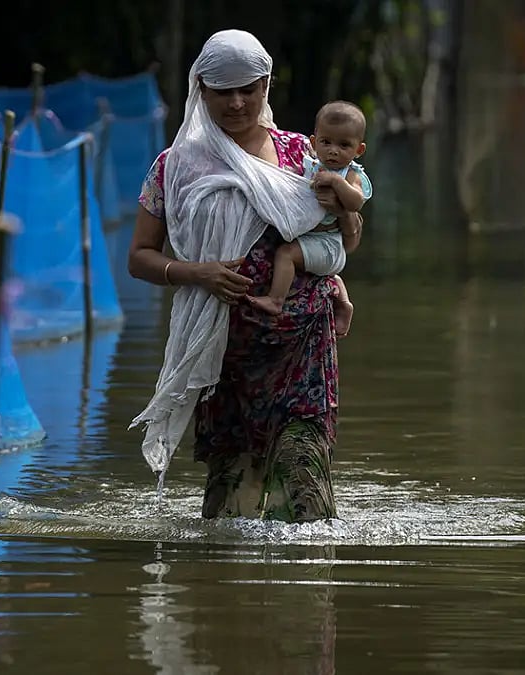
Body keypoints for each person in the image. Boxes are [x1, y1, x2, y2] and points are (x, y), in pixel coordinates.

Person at [127, 29, 364, 523]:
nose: (236, 103)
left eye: (248, 89)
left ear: (265, 87)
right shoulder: (174, 167)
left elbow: (343, 239)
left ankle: (303, 597)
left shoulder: (308, 155)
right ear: (201, 92)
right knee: (228, 519)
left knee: (305, 509)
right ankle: (225, 598)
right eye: (222, 91)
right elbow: (140, 257)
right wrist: (198, 272)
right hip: (224, 357)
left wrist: (338, 269)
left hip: (301, 345)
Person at [246, 100, 372, 337]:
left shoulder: (350, 174)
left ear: (359, 150)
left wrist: (337, 183)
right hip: (314, 239)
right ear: (313, 143)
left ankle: (276, 299)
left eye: (344, 145)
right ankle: (343, 302)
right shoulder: (309, 164)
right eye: (326, 143)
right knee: (324, 269)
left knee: (286, 254)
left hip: (328, 242)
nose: (334, 150)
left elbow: (355, 203)